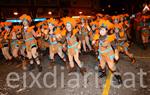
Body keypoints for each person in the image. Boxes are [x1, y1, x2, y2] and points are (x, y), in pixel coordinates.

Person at [92, 19, 122, 84]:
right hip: (101, 54)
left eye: (103, 30)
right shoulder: (98, 37)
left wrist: (116, 54)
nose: (101, 31)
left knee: (112, 67)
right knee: (102, 66)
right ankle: (104, 73)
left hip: (108, 54)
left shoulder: (109, 37)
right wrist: (94, 42)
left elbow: (115, 46)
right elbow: (95, 42)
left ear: (106, 30)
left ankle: (118, 77)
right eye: (100, 30)